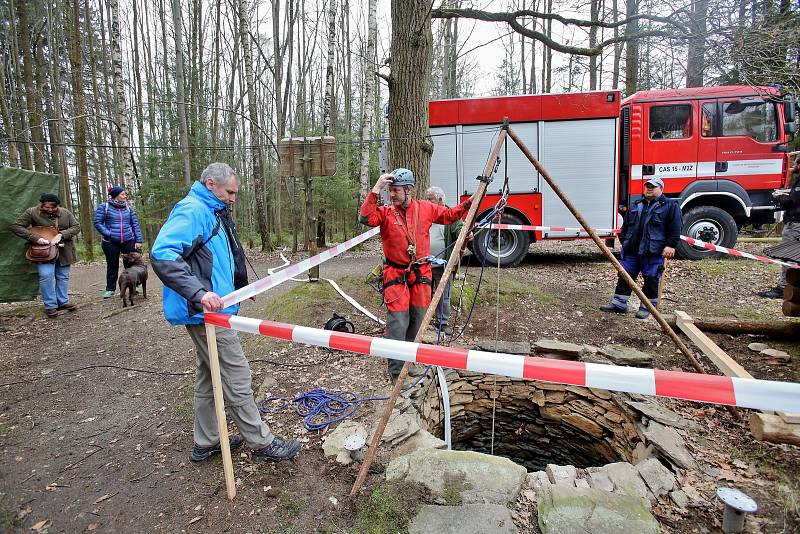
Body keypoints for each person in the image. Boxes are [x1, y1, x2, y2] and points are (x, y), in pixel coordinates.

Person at [151, 162, 300, 463]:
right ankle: (262, 442)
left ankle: (205, 442)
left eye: (235, 193)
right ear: (210, 184)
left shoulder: (213, 211)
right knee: (236, 374)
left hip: (214, 309)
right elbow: (162, 253)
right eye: (230, 192)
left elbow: (224, 257)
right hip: (204, 313)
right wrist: (199, 294)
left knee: (209, 376)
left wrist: (242, 288)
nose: (233, 198)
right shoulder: (193, 210)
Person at [359, 168, 473, 382]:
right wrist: (376, 189)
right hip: (395, 274)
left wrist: (470, 202)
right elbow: (365, 217)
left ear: (409, 190)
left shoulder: (426, 208)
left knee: (419, 320)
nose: (391, 195)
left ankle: (408, 363)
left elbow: (450, 216)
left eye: (395, 191)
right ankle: (396, 371)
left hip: (421, 273)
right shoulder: (385, 213)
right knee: (398, 322)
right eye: (390, 191)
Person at [600, 177, 682, 319]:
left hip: (653, 251)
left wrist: (670, 245)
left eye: (653, 186)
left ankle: (647, 307)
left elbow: (675, 227)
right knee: (625, 276)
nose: (649, 189)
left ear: (661, 189)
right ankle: (619, 304)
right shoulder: (636, 204)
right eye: (647, 186)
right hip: (632, 250)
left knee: (651, 279)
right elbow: (625, 227)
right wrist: (625, 241)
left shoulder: (670, 206)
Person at [10, 193, 81, 318]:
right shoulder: (32, 212)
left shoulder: (65, 213)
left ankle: (62, 302)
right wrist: (35, 238)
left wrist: (62, 235)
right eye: (47, 207)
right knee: (46, 276)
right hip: (43, 251)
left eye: (53, 208)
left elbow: (76, 226)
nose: (50, 210)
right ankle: (50, 306)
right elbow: (16, 226)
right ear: (42, 204)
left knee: (62, 276)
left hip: (64, 250)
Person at [758, 158, 800, 299]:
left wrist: (779, 197)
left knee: (789, 257)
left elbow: (793, 202)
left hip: (795, 224)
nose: (794, 166)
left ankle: (784, 287)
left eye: (797, 163)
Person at [94, 186, 144, 299]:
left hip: (128, 240)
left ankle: (135, 286)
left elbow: (135, 225)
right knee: (112, 265)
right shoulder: (104, 207)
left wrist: (138, 240)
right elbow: (97, 223)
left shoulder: (129, 208)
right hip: (110, 241)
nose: (125, 196)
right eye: (122, 194)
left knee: (131, 265)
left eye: (125, 194)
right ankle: (110, 289)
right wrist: (108, 233)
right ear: (115, 195)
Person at [425, 186, 463, 336]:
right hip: (424, 265)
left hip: (444, 266)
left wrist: (465, 234)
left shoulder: (450, 216)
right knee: (423, 294)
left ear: (440, 200)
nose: (427, 201)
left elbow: (460, 229)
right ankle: (423, 321)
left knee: (443, 296)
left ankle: (442, 323)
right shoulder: (426, 214)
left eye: (430, 199)